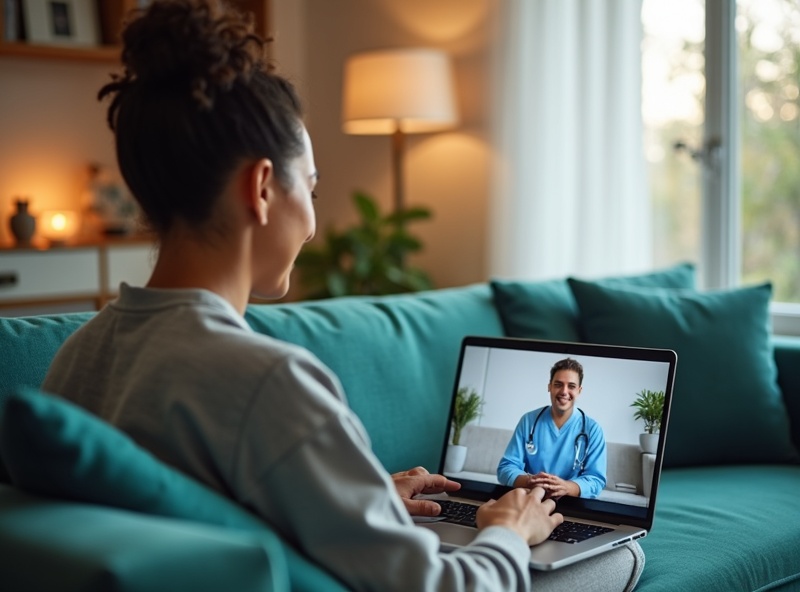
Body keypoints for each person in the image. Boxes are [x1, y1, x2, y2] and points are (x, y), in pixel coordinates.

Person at [40, 1, 573, 590]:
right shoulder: (269, 380)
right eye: (311, 192)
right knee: (618, 559)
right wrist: (507, 532)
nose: (313, 224)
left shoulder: (77, 359)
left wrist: (361, 503)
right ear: (263, 188)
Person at [497, 358, 607, 499]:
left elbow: (596, 480)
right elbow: (506, 467)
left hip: (573, 505)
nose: (564, 391)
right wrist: (530, 481)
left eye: (571, 386)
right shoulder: (528, 421)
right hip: (530, 499)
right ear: (549, 387)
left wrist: (566, 487)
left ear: (579, 390)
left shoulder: (593, 430)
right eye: (558, 385)